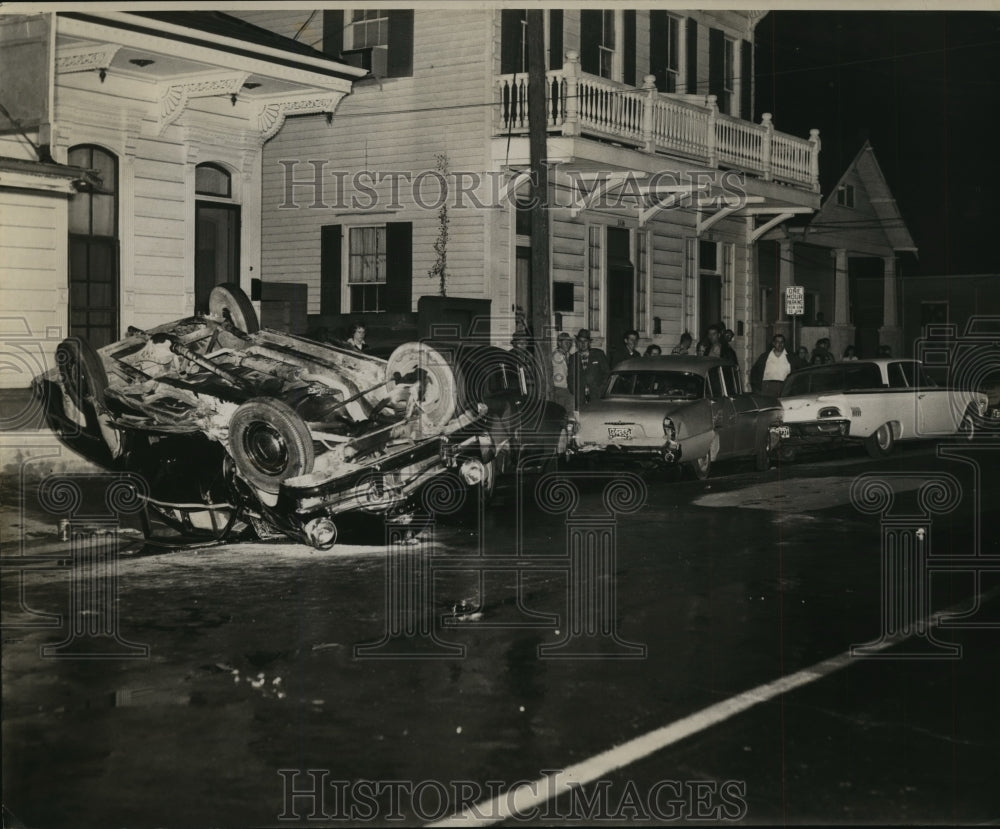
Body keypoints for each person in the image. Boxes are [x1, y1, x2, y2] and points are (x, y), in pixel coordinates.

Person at [568, 328, 610, 408]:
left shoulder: (598, 354)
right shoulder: (573, 358)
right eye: (580, 341)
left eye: (585, 341)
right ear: (577, 342)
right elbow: (570, 377)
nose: (583, 343)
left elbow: (607, 373)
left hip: (596, 395)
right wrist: (574, 390)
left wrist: (601, 390)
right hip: (580, 397)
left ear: (589, 342)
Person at [550, 332, 575, 413]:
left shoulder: (567, 355)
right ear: (559, 343)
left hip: (567, 389)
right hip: (559, 389)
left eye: (569, 342)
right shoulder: (556, 355)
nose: (568, 344)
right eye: (565, 342)